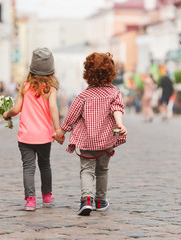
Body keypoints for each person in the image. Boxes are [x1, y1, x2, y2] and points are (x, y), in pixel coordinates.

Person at [54, 52, 127, 216]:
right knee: (102, 170)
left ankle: (86, 200)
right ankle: (100, 201)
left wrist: (61, 131)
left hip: (87, 141)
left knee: (87, 170)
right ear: (111, 73)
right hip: (106, 140)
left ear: (87, 74)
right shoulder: (114, 94)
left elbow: (71, 117)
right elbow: (117, 109)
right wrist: (120, 124)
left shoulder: (83, 96)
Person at [2, 48, 61, 211]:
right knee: (45, 165)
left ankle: (30, 200)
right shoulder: (51, 89)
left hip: (26, 137)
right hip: (44, 136)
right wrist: (57, 129)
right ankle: (47, 197)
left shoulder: (25, 87)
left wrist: (6, 114)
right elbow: (54, 108)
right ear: (51, 70)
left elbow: (16, 109)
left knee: (28, 167)